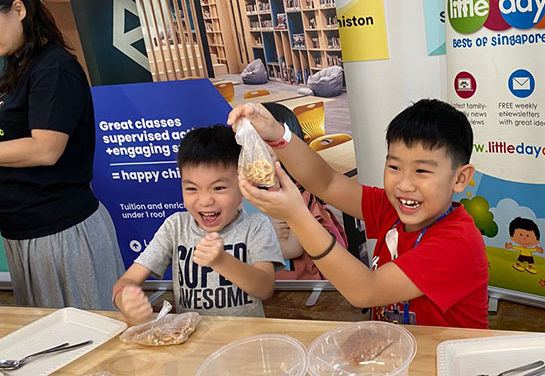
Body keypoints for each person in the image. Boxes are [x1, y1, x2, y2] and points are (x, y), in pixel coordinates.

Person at [229, 99, 489, 328]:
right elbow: (328, 182)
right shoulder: (391, 207)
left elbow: (365, 290)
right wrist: (277, 134)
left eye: (422, 171)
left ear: (460, 178)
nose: (404, 185)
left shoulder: (458, 242)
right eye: (395, 166)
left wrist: (298, 217)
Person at [0, 0, 124, 309]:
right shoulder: (15, 67)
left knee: (91, 343)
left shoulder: (53, 67)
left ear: (19, 10)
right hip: (23, 231)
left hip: (62, 234)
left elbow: (46, 148)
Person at [112, 125, 284, 322]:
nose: (205, 201)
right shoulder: (175, 226)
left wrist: (221, 261)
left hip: (244, 341)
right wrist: (124, 298)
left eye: (218, 188)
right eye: (192, 189)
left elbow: (265, 288)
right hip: (191, 342)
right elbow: (126, 281)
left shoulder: (255, 225)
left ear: (243, 186)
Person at [261, 102, 347, 280]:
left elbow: (292, 248)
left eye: (266, 140)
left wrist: (259, 237)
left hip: (305, 286)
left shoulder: (298, 193)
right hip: (272, 284)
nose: (259, 148)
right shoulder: (252, 191)